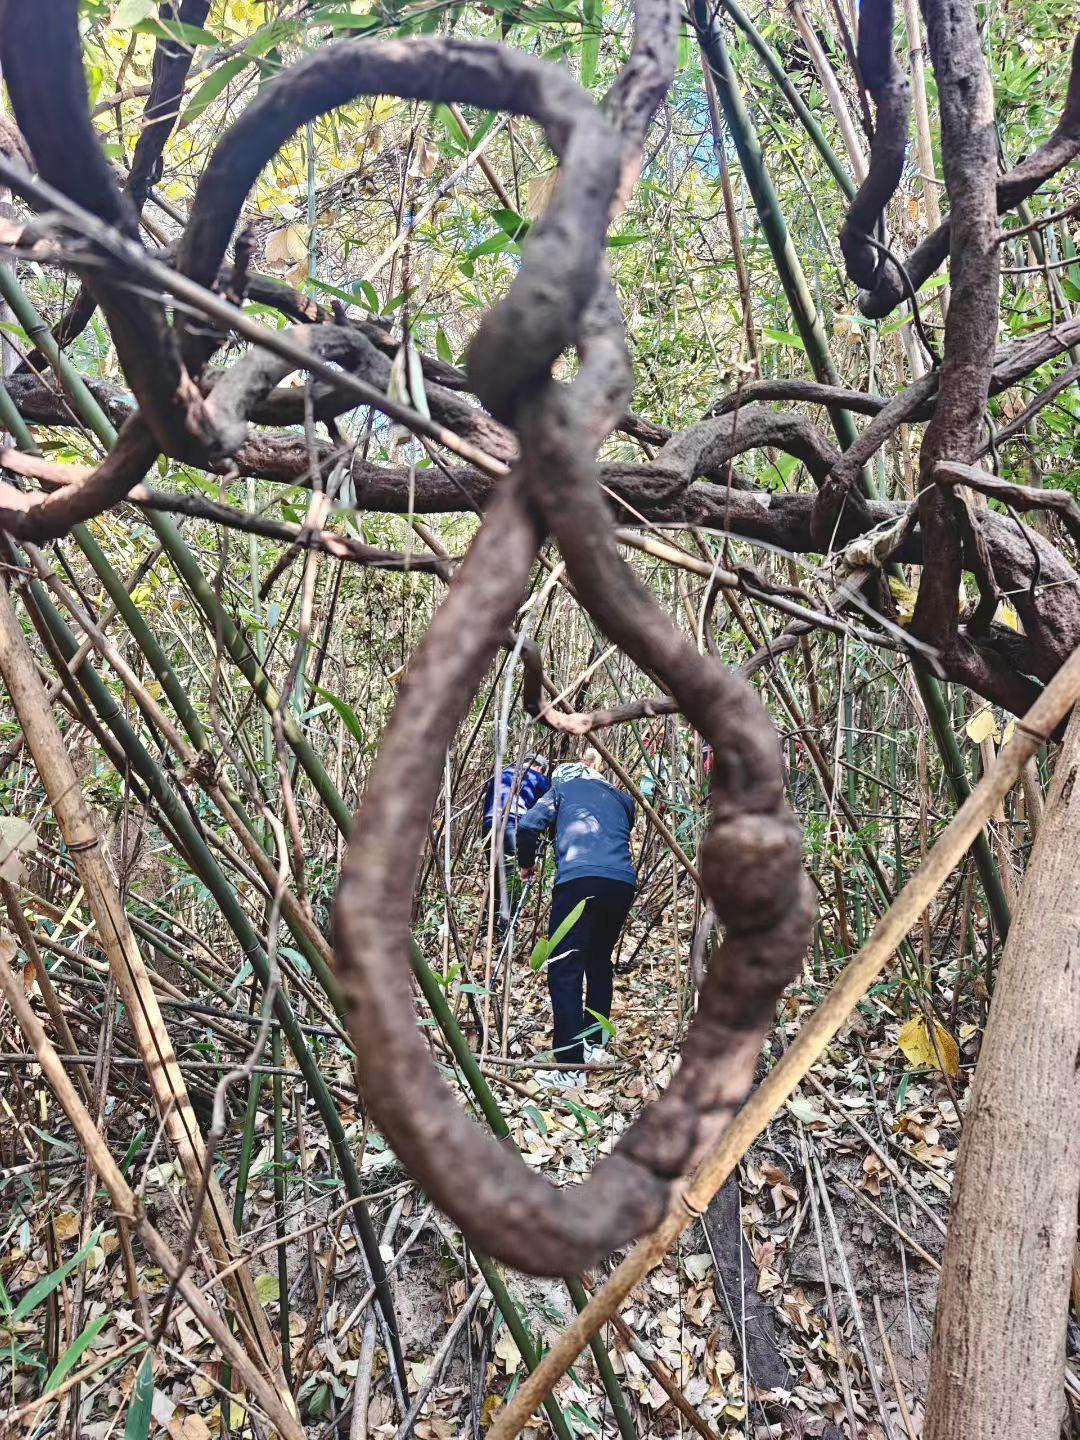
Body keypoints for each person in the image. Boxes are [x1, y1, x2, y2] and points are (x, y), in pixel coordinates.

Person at [516, 746, 636, 1088]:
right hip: (622, 882)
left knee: (566, 966)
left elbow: (527, 826)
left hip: (578, 879)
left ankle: (570, 1068)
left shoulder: (562, 789)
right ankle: (594, 1046)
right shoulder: (621, 798)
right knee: (598, 961)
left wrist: (527, 863)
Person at [481, 755, 550, 934]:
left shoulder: (501, 774)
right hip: (515, 825)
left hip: (490, 826)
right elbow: (541, 814)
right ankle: (507, 928)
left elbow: (487, 806)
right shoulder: (540, 779)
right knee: (512, 880)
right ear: (540, 768)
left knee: (495, 875)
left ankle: (486, 924)